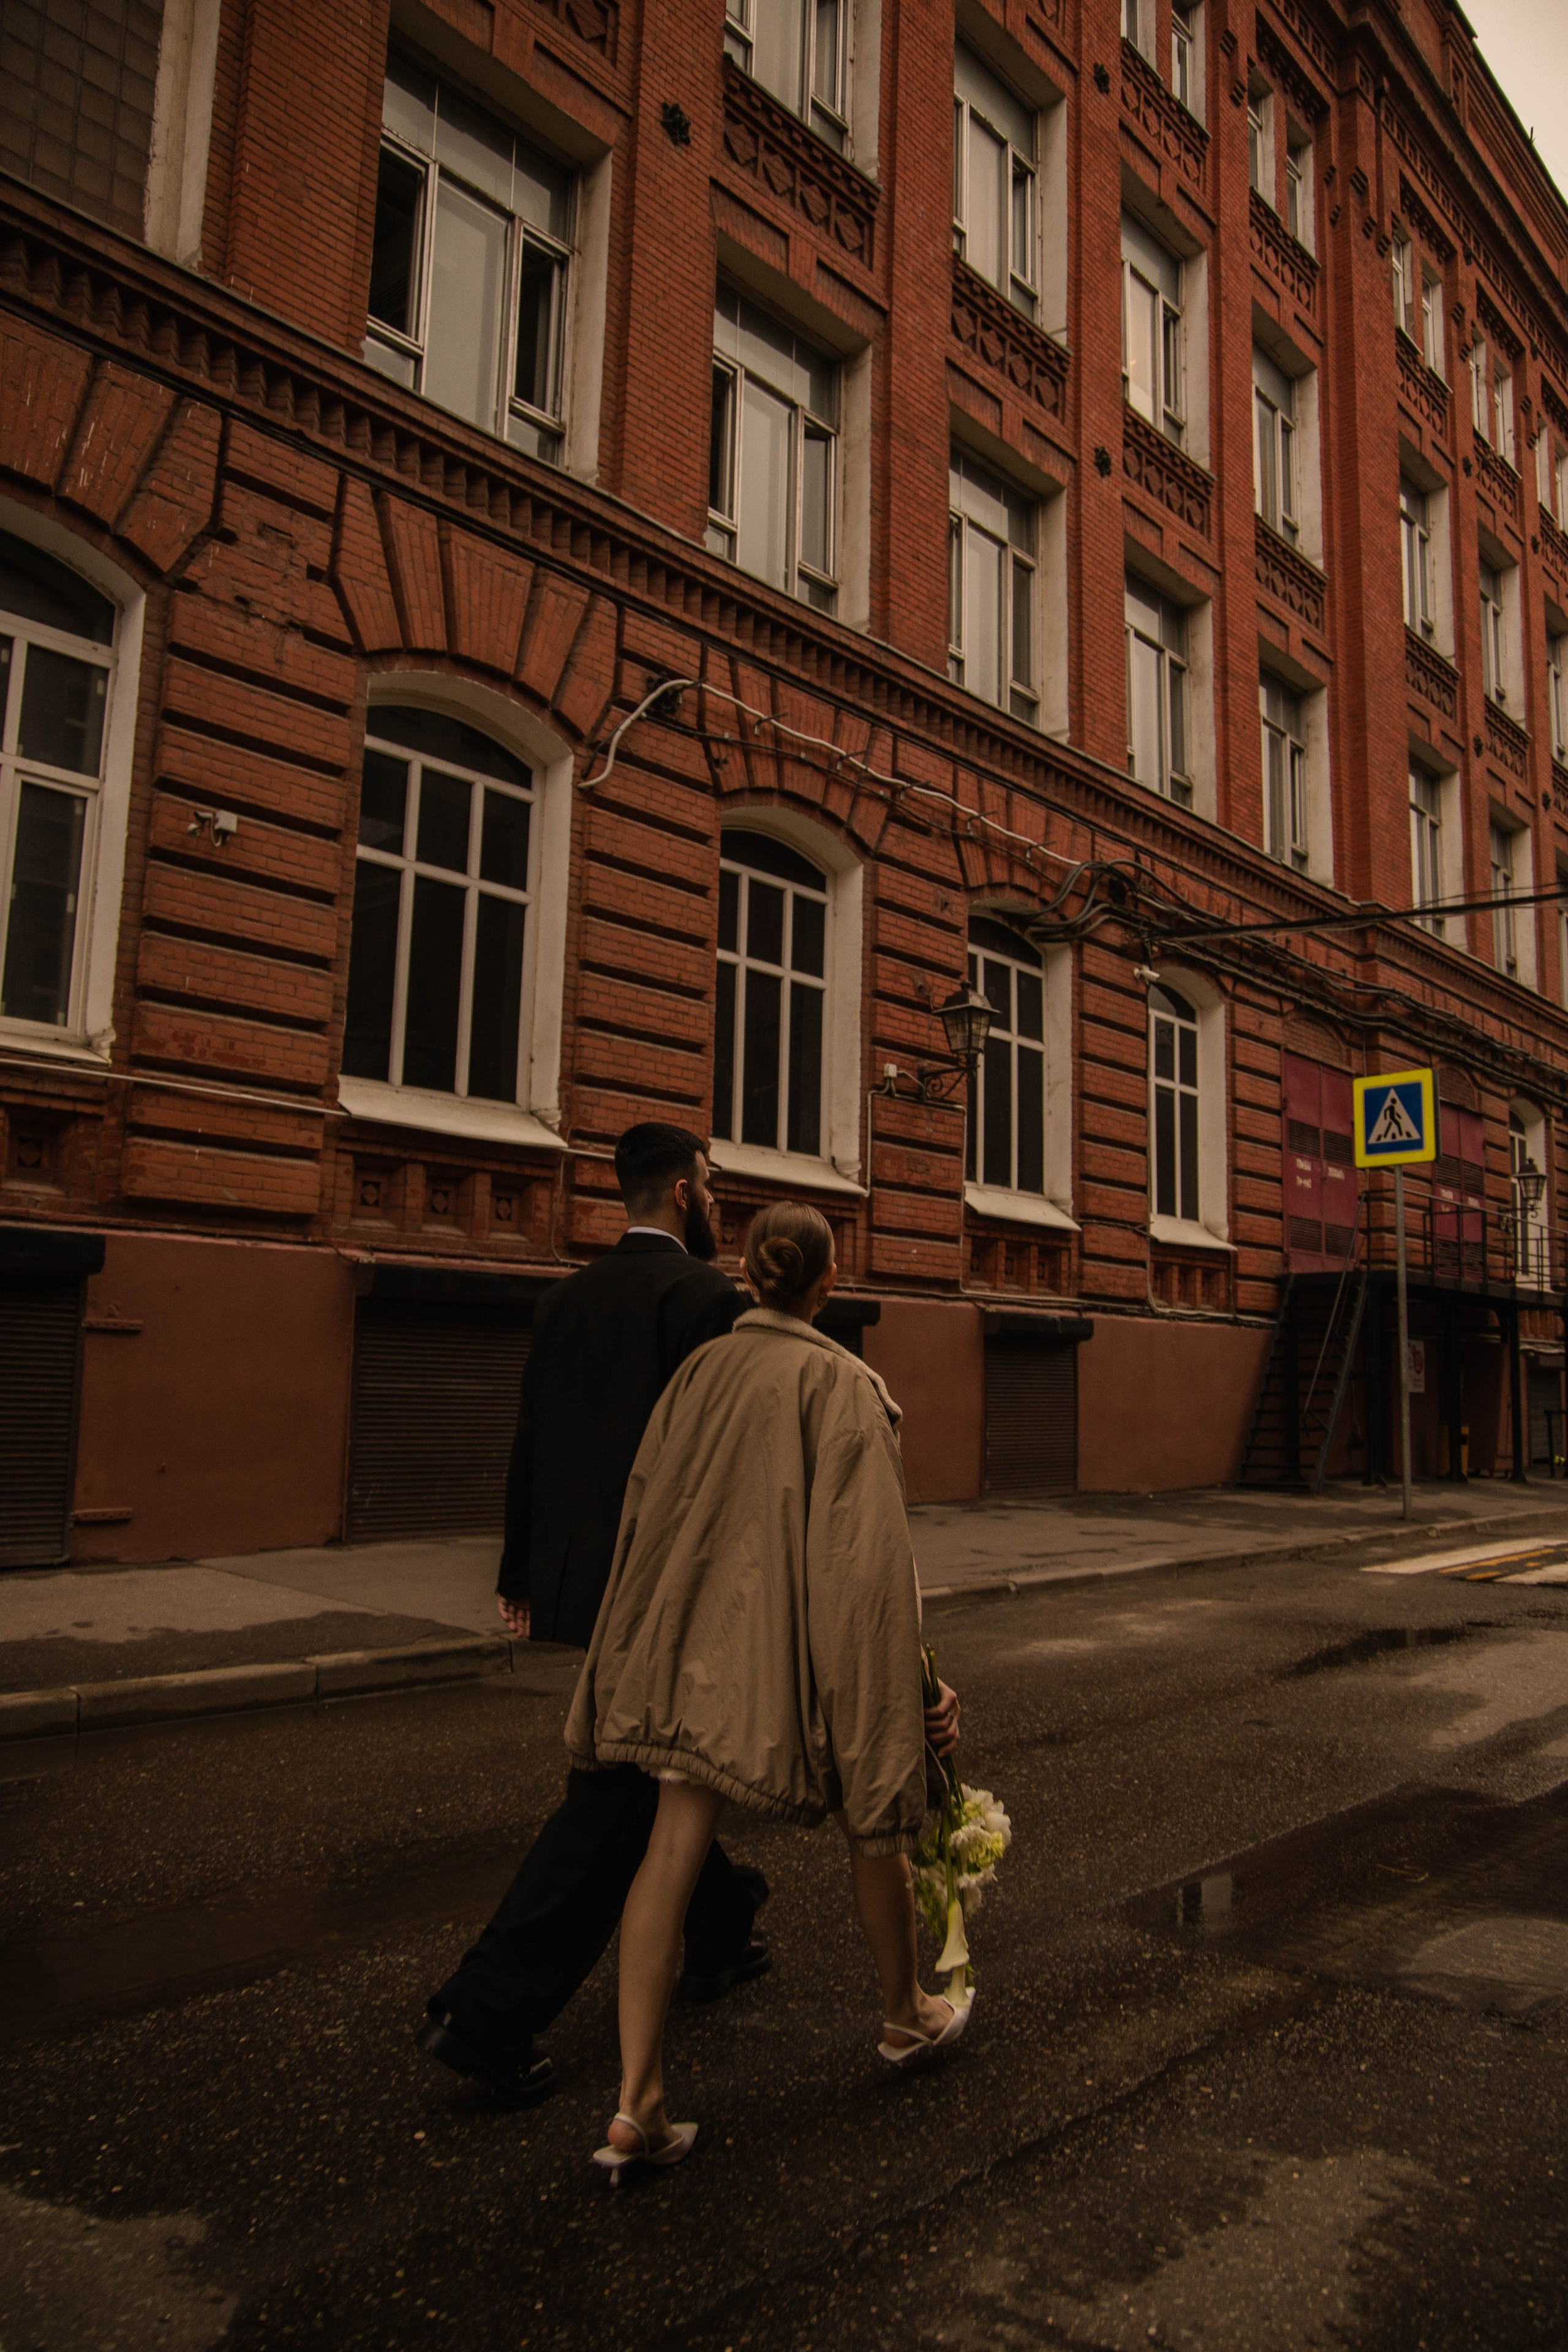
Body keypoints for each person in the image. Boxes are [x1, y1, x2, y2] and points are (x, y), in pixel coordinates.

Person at [565, 1200, 968, 2181]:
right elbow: (866, 1574)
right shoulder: (843, 1383)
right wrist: (909, 1693)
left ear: (747, 1276)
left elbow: (646, 1511)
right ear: (829, 1284)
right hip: (784, 1647)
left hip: (689, 1642)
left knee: (670, 1842)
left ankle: (638, 2104)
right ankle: (906, 2012)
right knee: (876, 1809)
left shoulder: (700, 1371)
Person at [418, 1124, 767, 2108]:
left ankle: (723, 1927)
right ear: (683, 1191)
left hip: (582, 1578)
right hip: (668, 1582)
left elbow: (530, 1437)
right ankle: (486, 2010)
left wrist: (520, 1572)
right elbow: (718, 1460)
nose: (717, 1198)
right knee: (618, 1792)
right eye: (711, 1183)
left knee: (658, 1761)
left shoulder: (565, 1295)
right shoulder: (706, 1299)